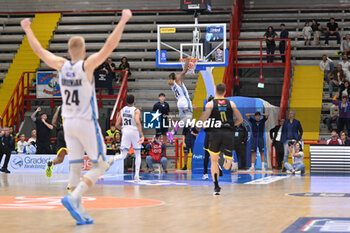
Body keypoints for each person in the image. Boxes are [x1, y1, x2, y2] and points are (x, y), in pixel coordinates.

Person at [21, 9, 132, 225]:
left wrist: (28, 30)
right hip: (85, 122)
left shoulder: (61, 66)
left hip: (67, 123)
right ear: (84, 51)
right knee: (101, 165)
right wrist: (123, 20)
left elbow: (40, 52)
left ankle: (79, 210)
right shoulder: (87, 65)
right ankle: (73, 197)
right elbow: (109, 46)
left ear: (68, 51)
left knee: (75, 167)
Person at [197, 83, 243, 195]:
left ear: (215, 91)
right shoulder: (231, 103)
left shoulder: (210, 104)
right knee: (228, 166)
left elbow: (202, 120)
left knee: (213, 161)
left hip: (215, 134)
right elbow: (240, 119)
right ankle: (223, 163)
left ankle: (216, 187)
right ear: (225, 91)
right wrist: (232, 126)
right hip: (228, 133)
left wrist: (203, 125)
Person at [113, 94, 144, 182]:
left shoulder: (122, 110)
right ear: (134, 101)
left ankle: (113, 159)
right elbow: (137, 122)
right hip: (134, 131)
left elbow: (117, 124)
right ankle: (136, 176)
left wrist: (123, 129)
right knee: (138, 154)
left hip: (125, 131)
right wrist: (141, 135)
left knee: (123, 155)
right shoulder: (136, 110)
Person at [167, 57, 192, 144]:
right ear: (175, 77)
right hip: (185, 101)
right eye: (176, 74)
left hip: (179, 103)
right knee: (189, 118)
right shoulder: (177, 80)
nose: (178, 74)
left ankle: (173, 132)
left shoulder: (172, 84)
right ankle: (172, 131)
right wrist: (188, 60)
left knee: (186, 122)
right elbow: (185, 70)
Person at [45, 106, 68, 178]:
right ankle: (72, 183)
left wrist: (57, 111)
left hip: (60, 133)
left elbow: (53, 122)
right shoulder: (75, 106)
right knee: (75, 160)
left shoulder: (60, 107)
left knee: (60, 159)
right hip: (70, 133)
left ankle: (52, 163)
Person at [202, 95, 215, 180]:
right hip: (208, 134)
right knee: (207, 154)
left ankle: (217, 171)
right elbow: (203, 126)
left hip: (215, 135)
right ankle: (205, 173)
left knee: (216, 155)